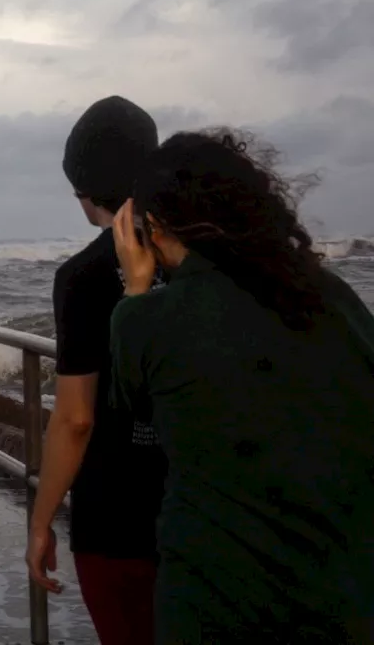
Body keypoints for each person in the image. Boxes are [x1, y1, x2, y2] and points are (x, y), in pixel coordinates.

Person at [110, 128, 374, 644]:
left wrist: (135, 287)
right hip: (345, 594)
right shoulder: (333, 297)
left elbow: (134, 417)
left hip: (215, 598)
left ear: (154, 230)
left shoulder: (145, 320)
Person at [26, 95, 169, 645]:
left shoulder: (83, 276)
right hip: (204, 510)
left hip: (116, 519)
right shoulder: (205, 261)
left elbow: (75, 420)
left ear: (83, 193)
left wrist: (41, 522)